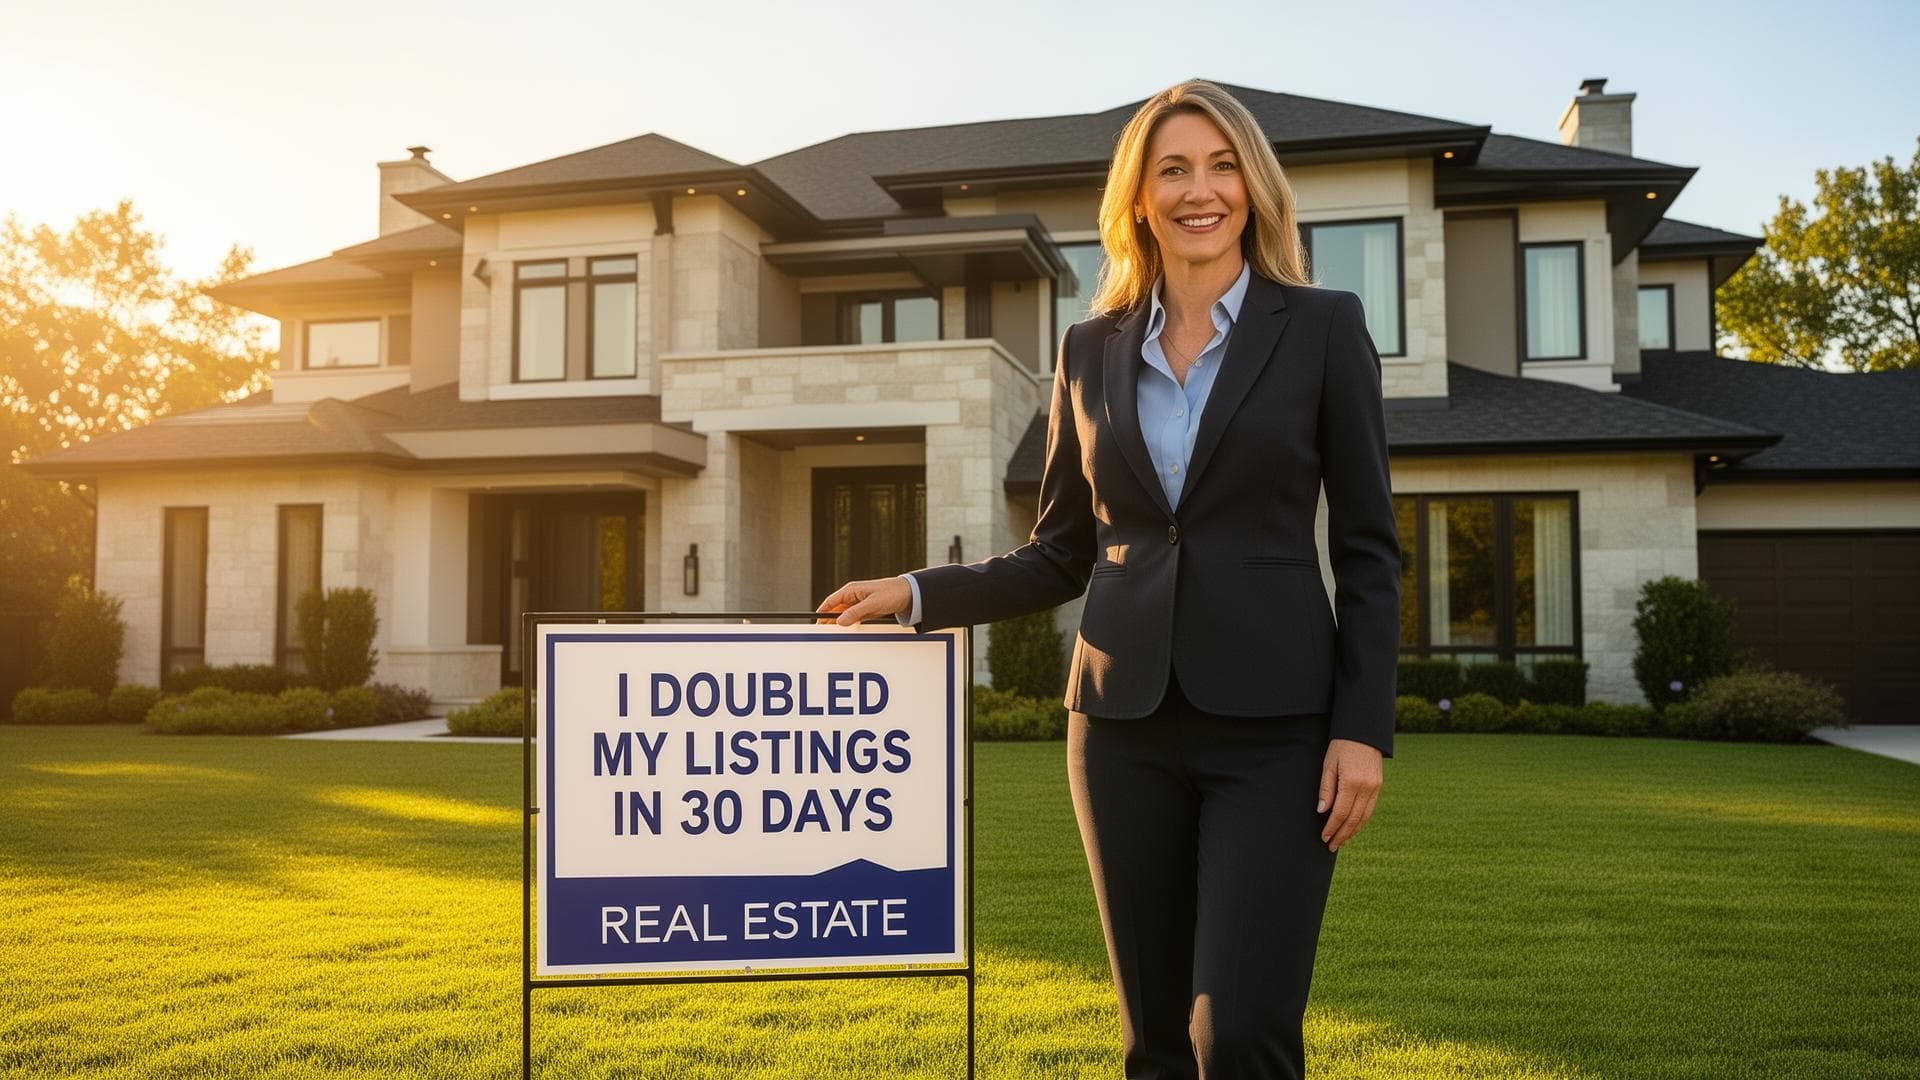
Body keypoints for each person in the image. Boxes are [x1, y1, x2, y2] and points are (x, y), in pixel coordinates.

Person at [816, 78, 1400, 1080]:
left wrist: (1361, 727)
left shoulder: (1323, 327)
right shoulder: (1089, 349)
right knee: (1156, 1044)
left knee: (1244, 1034)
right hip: (1119, 729)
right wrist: (916, 594)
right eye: (1173, 168)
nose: (1198, 189)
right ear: (1139, 196)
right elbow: (1059, 552)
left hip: (1277, 734)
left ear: (1254, 188)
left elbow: (1367, 549)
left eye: (1222, 166)